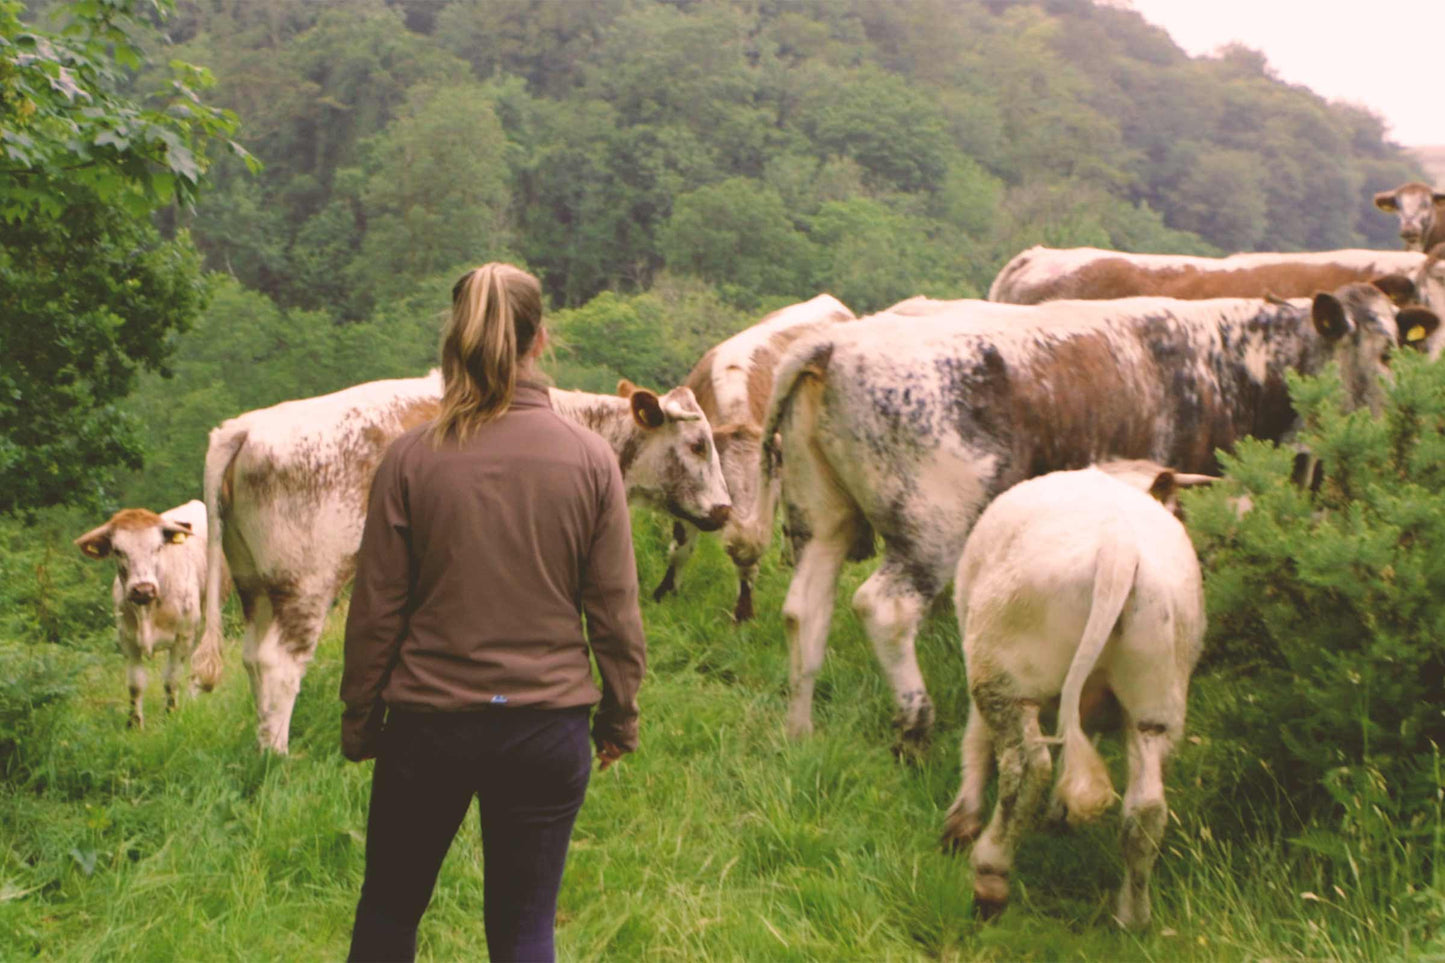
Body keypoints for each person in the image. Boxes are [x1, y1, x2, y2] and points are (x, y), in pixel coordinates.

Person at [340, 262, 646, 963]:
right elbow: (614, 613)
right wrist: (619, 715)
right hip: (547, 729)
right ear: (540, 340)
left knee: (388, 911)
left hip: (428, 728)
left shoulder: (411, 459)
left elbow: (376, 610)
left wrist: (360, 719)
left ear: (456, 343)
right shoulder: (591, 460)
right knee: (524, 932)